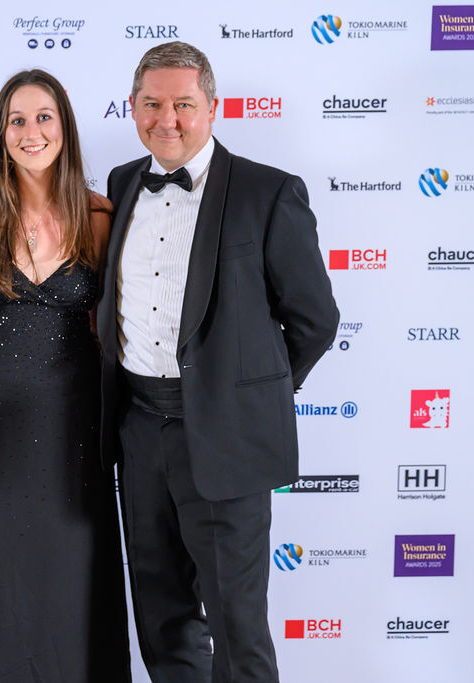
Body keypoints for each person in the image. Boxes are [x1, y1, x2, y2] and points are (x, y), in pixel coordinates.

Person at [98, 42, 339, 682]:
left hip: (226, 437)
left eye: (183, 104)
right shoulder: (122, 184)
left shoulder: (269, 191)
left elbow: (315, 320)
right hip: (138, 431)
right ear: (132, 107)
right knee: (162, 618)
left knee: (237, 627)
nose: (166, 119)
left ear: (213, 107)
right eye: (152, 104)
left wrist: (243, 394)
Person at [0, 69, 130, 682]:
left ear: (64, 126)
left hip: (74, 432)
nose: (31, 131)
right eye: (17, 120)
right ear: (0, 133)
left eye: (44, 117)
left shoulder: (99, 215)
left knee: (70, 579)